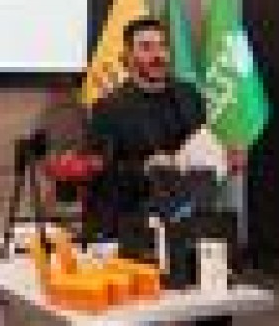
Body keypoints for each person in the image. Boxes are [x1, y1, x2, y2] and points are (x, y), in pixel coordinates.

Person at [84, 17, 242, 325]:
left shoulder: (190, 96)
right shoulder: (108, 108)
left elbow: (201, 149)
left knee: (213, 306)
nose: (158, 55)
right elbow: (100, 173)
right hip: (137, 221)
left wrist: (226, 159)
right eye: (146, 47)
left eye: (162, 47)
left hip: (192, 217)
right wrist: (144, 167)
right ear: (127, 56)